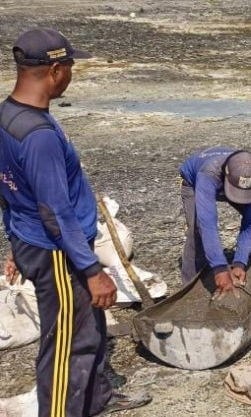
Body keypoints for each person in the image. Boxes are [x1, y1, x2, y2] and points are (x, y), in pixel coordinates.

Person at [0, 28, 151, 416]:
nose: (71, 75)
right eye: (69, 66)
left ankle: (97, 398)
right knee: (66, 343)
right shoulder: (38, 136)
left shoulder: (8, 115)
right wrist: (91, 270)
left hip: (36, 241)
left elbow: (8, 190)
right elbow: (55, 212)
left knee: (90, 326)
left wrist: (15, 241)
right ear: (55, 70)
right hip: (57, 253)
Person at [178, 147, 251, 297]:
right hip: (194, 182)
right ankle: (191, 289)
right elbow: (207, 224)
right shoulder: (208, 173)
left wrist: (240, 262)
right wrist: (220, 268)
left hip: (233, 182)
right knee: (197, 230)